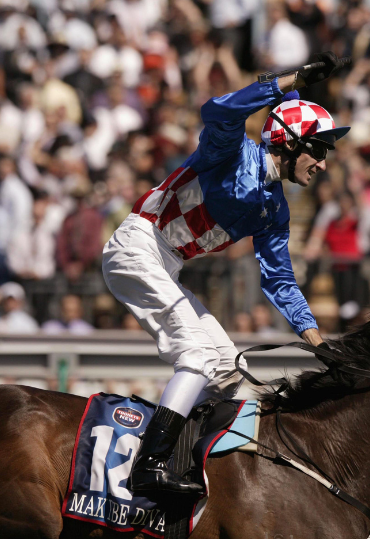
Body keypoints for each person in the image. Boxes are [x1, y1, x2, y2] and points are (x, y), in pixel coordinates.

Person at [102, 52, 348, 496]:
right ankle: (148, 465)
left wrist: (320, 345)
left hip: (164, 264)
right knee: (195, 354)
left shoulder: (275, 208)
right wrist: (288, 81)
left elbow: (279, 280)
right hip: (138, 244)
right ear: (290, 141)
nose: (324, 163)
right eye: (319, 149)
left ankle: (190, 460)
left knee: (227, 370)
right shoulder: (231, 150)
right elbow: (217, 109)